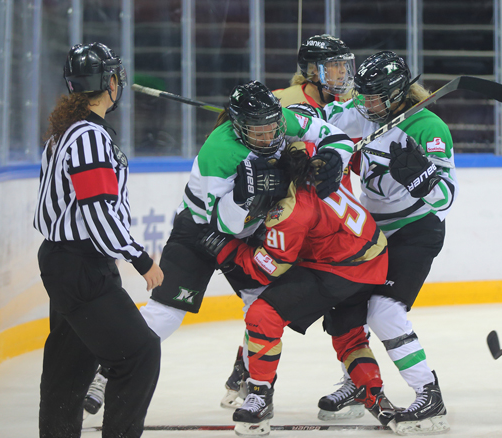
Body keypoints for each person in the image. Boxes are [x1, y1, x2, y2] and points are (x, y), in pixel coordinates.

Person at [82, 80, 352, 413]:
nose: (269, 136)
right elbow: (224, 224)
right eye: (259, 131)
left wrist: (335, 158)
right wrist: (245, 196)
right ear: (239, 128)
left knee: (262, 310)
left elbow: (335, 137)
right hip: (199, 231)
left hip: (248, 235)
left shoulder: (284, 119)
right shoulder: (219, 153)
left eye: (273, 127)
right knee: (166, 313)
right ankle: (107, 372)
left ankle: (257, 388)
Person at [199, 141, 396, 436]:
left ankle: (260, 397)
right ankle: (377, 399)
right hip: (373, 258)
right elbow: (313, 140)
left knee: (263, 314)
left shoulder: (290, 211)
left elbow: (268, 268)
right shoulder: (315, 164)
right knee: (348, 334)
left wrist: (228, 250)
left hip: (339, 267)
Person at [33, 43, 163, 438]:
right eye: (116, 76)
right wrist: (142, 260)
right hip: (81, 264)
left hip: (64, 260)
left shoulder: (65, 133)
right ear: (110, 83)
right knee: (139, 351)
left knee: (71, 356)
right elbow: (97, 210)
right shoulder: (88, 137)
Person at [315, 51, 457, 435]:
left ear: (397, 93)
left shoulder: (428, 127)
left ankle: (429, 394)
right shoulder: (364, 112)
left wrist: (421, 177)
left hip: (416, 229)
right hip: (372, 230)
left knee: (383, 313)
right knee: (343, 307)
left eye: (376, 96)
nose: (367, 102)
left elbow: (445, 197)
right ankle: (359, 382)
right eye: (364, 94)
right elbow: (322, 123)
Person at [219, 34, 358, 409]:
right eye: (335, 66)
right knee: (267, 297)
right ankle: (249, 369)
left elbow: (353, 151)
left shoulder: (351, 105)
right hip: (293, 216)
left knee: (348, 301)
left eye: (346, 65)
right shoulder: (284, 103)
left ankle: (354, 380)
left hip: (336, 218)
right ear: (313, 71)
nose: (344, 73)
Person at [273, 34, 355, 108]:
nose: (343, 70)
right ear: (314, 69)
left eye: (344, 64)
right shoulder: (281, 101)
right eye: (336, 65)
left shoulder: (355, 98)